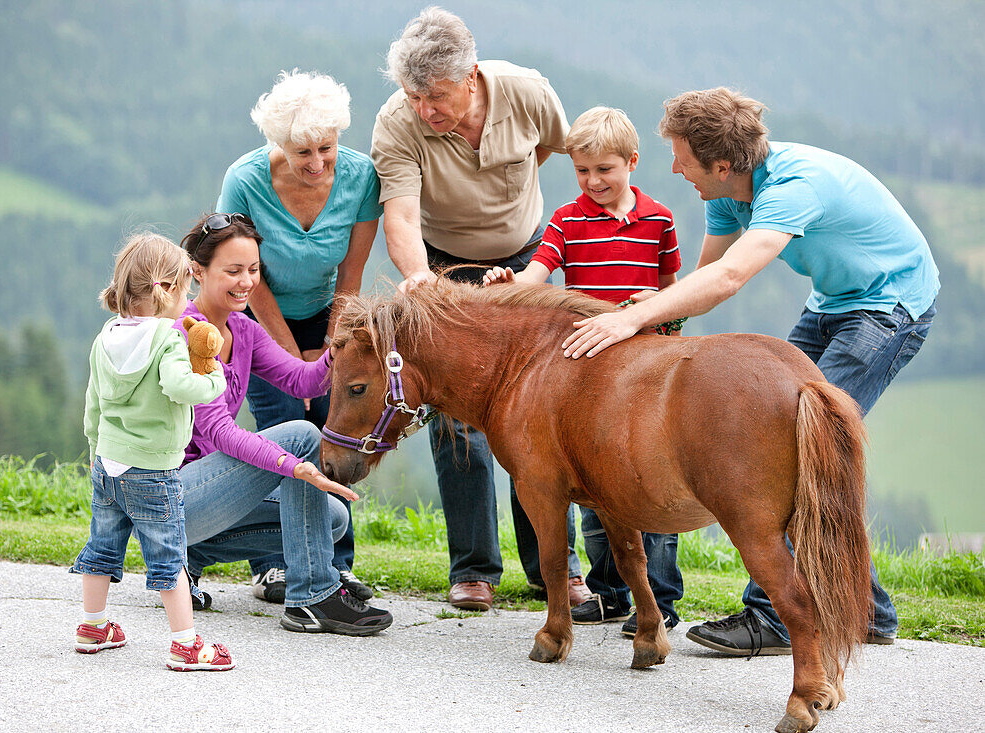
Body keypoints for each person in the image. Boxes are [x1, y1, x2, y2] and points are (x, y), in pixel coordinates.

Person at [563, 87, 939, 654]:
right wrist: (655, 309)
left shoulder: (792, 186)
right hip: (833, 303)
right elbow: (704, 271)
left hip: (891, 307)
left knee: (797, 448)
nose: (673, 169)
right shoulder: (726, 190)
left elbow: (729, 279)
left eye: (682, 159)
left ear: (720, 164)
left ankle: (776, 617)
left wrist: (631, 319)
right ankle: (868, 612)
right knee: (789, 441)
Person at [372, 6, 588, 611]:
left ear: (471, 76)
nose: (424, 109)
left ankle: (556, 570)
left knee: (536, 410)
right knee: (455, 417)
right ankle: (473, 569)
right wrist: (422, 282)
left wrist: (515, 215)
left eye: (436, 96)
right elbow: (403, 218)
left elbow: (554, 148)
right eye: (414, 95)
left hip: (526, 261)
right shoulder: (397, 123)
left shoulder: (528, 92)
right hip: (440, 263)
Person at [482, 106, 684, 635]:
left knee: (649, 486)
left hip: (642, 366)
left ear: (632, 163)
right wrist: (510, 286)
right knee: (598, 494)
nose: (593, 182)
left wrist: (661, 310)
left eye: (605, 170)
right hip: (588, 372)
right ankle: (613, 592)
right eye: (582, 171)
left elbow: (673, 290)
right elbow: (539, 272)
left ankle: (660, 599)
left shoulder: (659, 219)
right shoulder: (567, 221)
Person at [176, 212, 393, 636]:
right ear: (197, 271)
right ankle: (313, 596)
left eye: (254, 270)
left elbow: (302, 379)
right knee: (301, 436)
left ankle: (190, 558)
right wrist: (290, 463)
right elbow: (219, 431)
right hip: (175, 496)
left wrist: (340, 347)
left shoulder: (243, 328)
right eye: (233, 270)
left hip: (206, 500)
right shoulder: (186, 331)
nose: (246, 281)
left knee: (332, 518)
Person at [216, 70, 382, 603]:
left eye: (325, 149)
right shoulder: (244, 180)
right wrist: (291, 355)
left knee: (333, 430)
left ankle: (338, 565)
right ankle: (273, 565)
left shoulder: (360, 177)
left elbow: (352, 275)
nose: (315, 164)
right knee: (281, 428)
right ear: (277, 144)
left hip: (332, 312)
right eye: (300, 152)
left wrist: (329, 349)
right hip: (256, 312)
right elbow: (248, 276)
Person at [72, 232, 233, 670]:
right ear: (163, 290)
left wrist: (93, 450)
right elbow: (180, 386)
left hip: (108, 462)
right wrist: (215, 378)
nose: (189, 300)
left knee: (103, 545)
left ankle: (93, 626)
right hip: (152, 469)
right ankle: (186, 644)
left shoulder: (106, 336)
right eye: (185, 289)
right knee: (167, 554)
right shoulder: (167, 337)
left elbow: (94, 403)